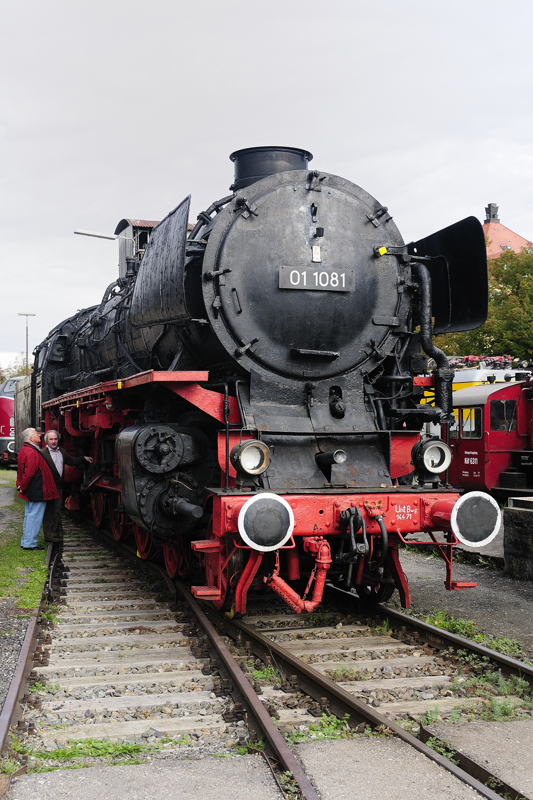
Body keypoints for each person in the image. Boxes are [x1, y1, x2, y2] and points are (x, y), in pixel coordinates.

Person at [41, 430, 93, 543]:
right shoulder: (43, 454)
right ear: (46, 441)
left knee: (57, 510)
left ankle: (54, 533)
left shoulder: (62, 452)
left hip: (58, 487)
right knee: (49, 511)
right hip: (48, 487)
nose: (53, 441)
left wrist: (84, 458)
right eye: (51, 439)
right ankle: (48, 535)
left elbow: (71, 461)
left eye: (55, 439)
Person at [16, 428, 59, 550]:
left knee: (29, 515)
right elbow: (29, 473)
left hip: (33, 488)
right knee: (34, 516)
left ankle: (26, 541)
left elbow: (21, 470)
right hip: (38, 489)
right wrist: (22, 488)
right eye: (36, 434)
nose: (39, 435)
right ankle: (30, 543)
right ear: (31, 438)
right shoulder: (32, 452)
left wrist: (20, 485)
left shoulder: (26, 450)